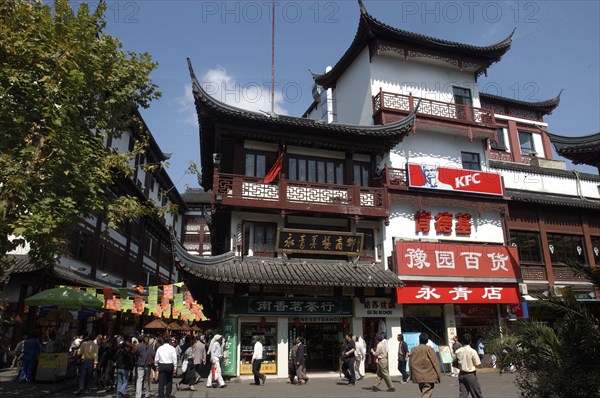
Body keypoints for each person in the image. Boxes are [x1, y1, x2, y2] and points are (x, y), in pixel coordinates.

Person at [409, 333, 441, 398]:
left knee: (424, 391)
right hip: (429, 375)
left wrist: (411, 375)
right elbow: (435, 362)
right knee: (426, 393)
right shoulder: (429, 349)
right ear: (427, 340)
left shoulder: (413, 349)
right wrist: (438, 375)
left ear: (419, 340)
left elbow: (410, 363)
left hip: (418, 375)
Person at [454, 333, 483, 398]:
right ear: (470, 341)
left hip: (461, 374)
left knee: (463, 394)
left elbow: (455, 362)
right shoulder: (473, 351)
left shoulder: (458, 351)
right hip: (470, 374)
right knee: (476, 393)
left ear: (462, 341)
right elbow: (477, 364)